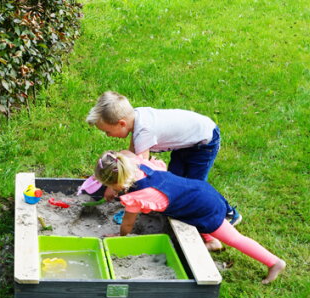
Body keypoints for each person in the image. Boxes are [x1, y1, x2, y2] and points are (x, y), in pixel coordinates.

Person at [94, 150, 285, 284]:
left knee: (234, 238)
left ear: (117, 183)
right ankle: (212, 242)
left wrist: (121, 237)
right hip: (199, 190)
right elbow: (127, 157)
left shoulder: (136, 197)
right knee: (192, 218)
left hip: (203, 207)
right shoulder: (138, 166)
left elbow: (128, 223)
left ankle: (274, 262)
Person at [86, 91, 241, 251]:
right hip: (186, 143)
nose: (108, 135)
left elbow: (138, 171)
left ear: (122, 123)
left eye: (108, 131)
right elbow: (132, 153)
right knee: (174, 184)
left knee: (194, 186)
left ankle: (229, 215)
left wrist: (119, 192)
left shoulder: (144, 131)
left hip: (204, 142)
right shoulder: (136, 118)